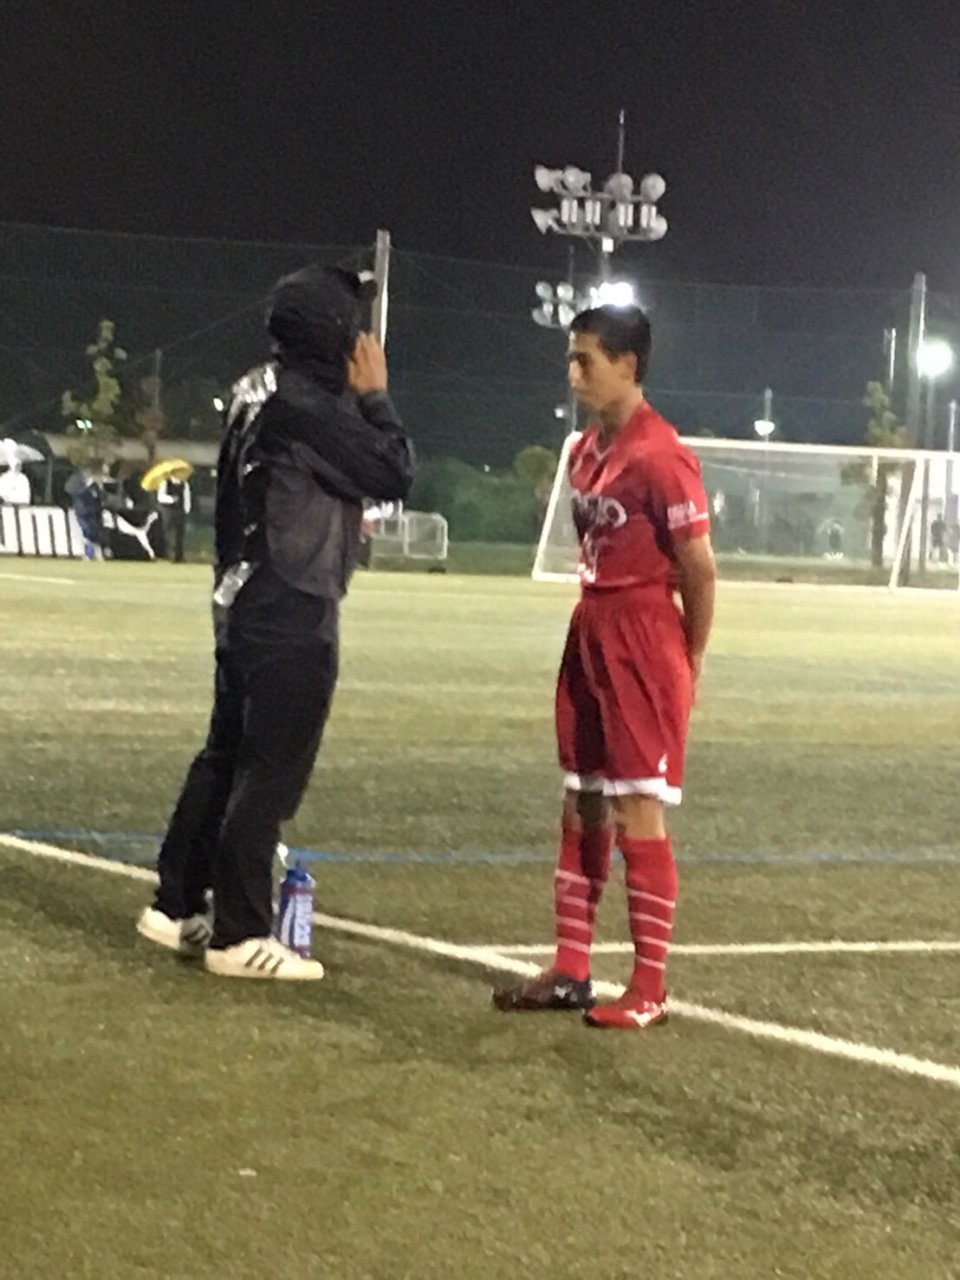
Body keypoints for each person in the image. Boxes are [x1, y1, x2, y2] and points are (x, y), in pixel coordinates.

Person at [137, 264, 414, 980]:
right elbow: (392, 473)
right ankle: (240, 933)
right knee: (269, 772)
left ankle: (175, 905)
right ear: (331, 333)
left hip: (243, 595)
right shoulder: (304, 407)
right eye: (351, 324)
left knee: (225, 755)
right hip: (290, 601)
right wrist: (376, 398)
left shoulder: (256, 388)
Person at [493, 305, 716, 1029]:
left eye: (586, 359)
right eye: (571, 358)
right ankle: (572, 970)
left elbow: (699, 569)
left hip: (642, 634)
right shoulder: (583, 452)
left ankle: (649, 988)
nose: (573, 372)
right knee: (581, 798)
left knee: (636, 804)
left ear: (628, 364)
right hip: (589, 627)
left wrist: (690, 655)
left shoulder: (663, 456)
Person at [157, 474, 192, 562]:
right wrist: (171, 499)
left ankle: (179, 556)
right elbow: (160, 497)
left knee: (179, 534)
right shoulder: (165, 483)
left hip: (180, 511)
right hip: (168, 511)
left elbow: (187, 498)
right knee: (167, 532)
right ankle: (167, 554)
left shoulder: (185, 484)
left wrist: (186, 510)